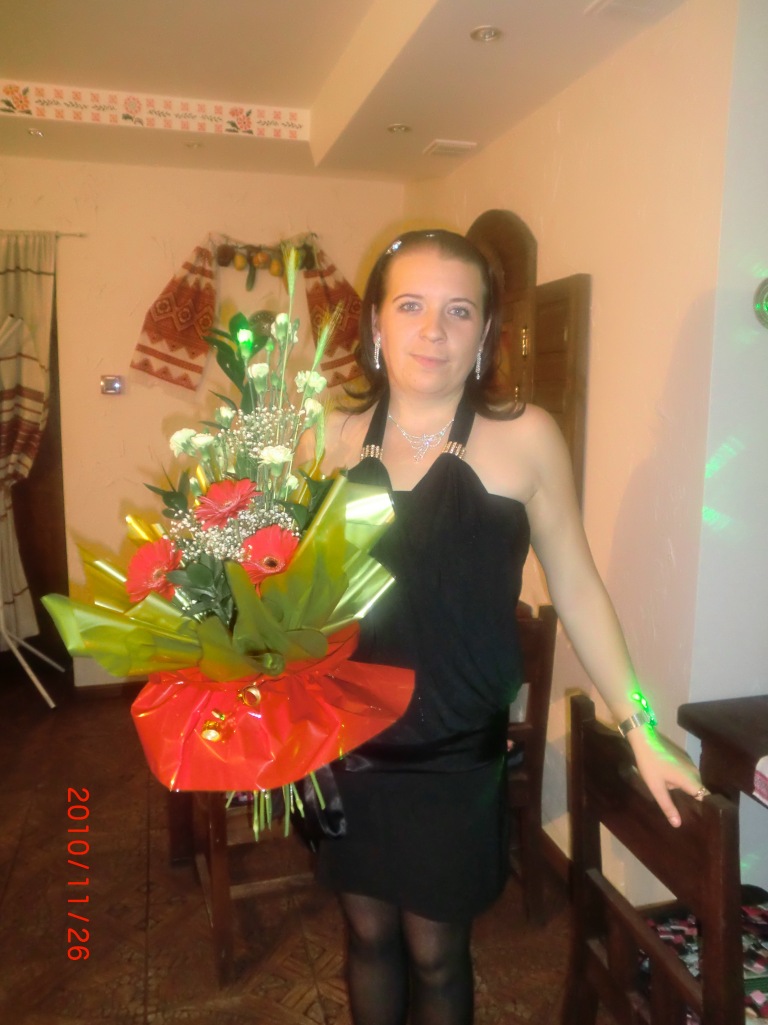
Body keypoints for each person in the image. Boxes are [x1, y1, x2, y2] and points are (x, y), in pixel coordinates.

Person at [312, 228, 704, 1025]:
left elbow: (579, 588)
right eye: (411, 306)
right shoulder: (329, 433)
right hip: (345, 739)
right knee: (367, 935)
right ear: (376, 323)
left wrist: (639, 726)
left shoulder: (525, 435)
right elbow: (297, 591)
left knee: (436, 951)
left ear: (487, 330)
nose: (434, 330)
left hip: (454, 750)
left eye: (459, 311)